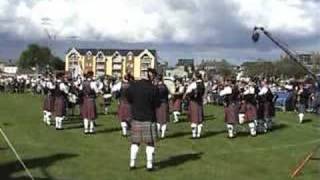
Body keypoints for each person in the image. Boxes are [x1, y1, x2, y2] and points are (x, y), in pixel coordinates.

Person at [127, 68, 159, 171]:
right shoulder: (154, 88)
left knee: (135, 142)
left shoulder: (132, 86)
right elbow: (157, 104)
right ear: (149, 76)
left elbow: (129, 99)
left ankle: (132, 163)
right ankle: (149, 165)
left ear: (140, 76)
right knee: (150, 143)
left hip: (136, 117)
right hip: (149, 118)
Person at [184, 73, 205, 139]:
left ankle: (194, 135)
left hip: (193, 102)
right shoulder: (203, 84)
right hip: (199, 102)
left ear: (196, 77)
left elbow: (187, 92)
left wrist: (185, 96)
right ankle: (198, 134)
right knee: (199, 119)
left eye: (194, 76)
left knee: (194, 119)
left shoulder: (193, 84)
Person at [155, 75, 169, 139]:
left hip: (157, 104)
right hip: (164, 104)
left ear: (158, 79)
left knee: (158, 120)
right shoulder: (165, 87)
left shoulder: (155, 87)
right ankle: (163, 135)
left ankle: (157, 134)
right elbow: (168, 95)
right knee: (164, 120)